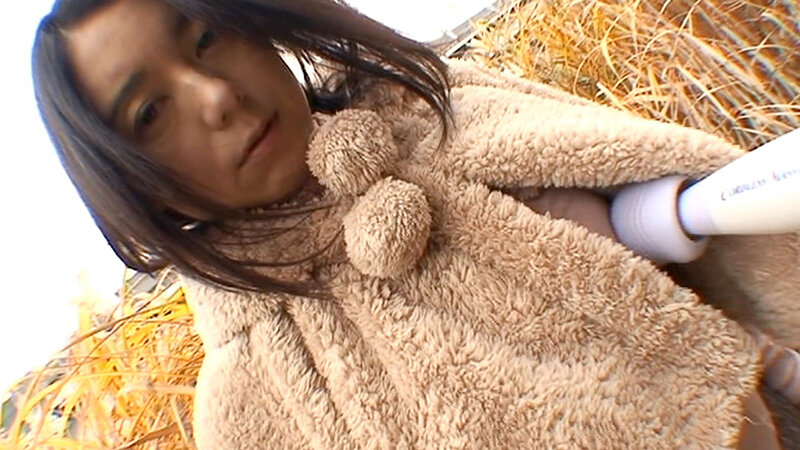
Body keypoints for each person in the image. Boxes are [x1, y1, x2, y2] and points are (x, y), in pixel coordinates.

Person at [32, 0, 799, 447]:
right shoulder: (250, 403)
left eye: (205, 36)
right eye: (151, 112)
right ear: (135, 186)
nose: (214, 95)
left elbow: (717, 241)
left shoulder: (442, 110)